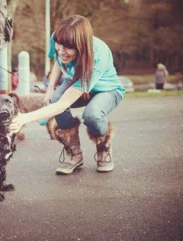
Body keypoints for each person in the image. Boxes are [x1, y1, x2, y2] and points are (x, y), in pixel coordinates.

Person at [10, 15, 125, 174]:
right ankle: (74, 152)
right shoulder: (59, 37)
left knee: (92, 114)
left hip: (106, 89)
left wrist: (25, 117)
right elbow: (58, 60)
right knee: (55, 97)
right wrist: (50, 88)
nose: (61, 51)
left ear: (81, 46)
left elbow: (62, 105)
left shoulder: (97, 56)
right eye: (59, 45)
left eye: (68, 48)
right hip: (74, 80)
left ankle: (103, 146)